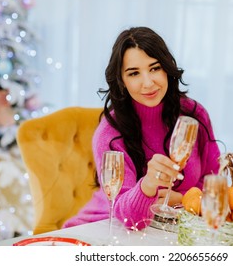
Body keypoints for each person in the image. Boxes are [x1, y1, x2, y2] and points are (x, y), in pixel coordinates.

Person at [63, 26, 221, 230]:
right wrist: (148, 185)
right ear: (122, 81)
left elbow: (213, 180)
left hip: (171, 230)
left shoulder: (193, 115)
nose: (148, 83)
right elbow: (130, 220)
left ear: (167, 69)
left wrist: (181, 198)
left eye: (155, 68)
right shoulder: (109, 134)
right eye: (134, 73)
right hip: (105, 227)